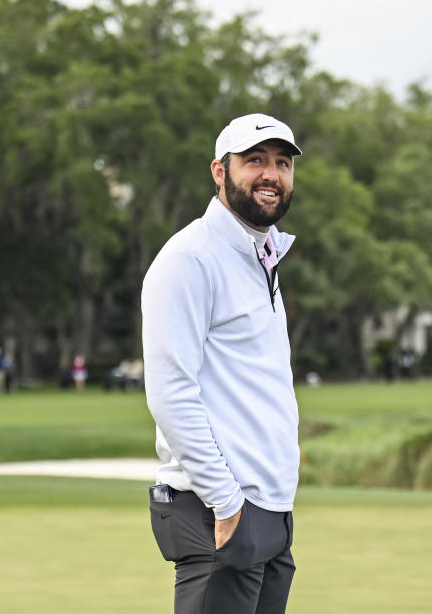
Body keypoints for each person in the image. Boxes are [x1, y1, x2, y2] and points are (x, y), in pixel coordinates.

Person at [142, 113, 302, 614]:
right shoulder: (190, 258)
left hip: (271, 508)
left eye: (281, 162)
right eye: (254, 160)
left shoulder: (261, 254)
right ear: (219, 171)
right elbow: (171, 392)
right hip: (219, 507)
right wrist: (226, 502)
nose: (270, 174)